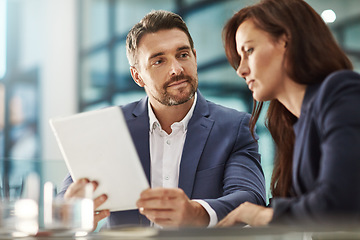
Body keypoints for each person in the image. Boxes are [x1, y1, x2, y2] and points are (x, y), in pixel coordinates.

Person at [58, 10, 266, 229]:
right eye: (159, 61)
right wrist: (73, 211)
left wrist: (197, 213)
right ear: (137, 76)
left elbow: (250, 196)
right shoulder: (111, 127)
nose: (176, 69)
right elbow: (67, 198)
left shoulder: (235, 126)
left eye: (183, 55)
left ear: (194, 57)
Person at [218, 0, 360, 227]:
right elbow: (297, 203)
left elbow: (340, 202)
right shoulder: (293, 123)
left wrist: (259, 216)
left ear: (285, 39)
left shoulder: (341, 90)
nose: (241, 70)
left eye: (249, 50)